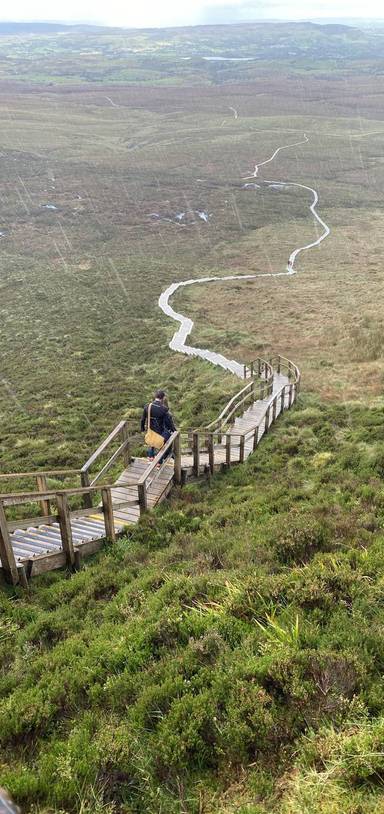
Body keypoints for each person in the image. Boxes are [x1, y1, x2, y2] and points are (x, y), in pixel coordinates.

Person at [141, 389, 176, 461]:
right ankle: (160, 459)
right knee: (168, 437)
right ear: (163, 398)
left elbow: (143, 419)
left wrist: (142, 429)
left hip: (150, 430)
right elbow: (168, 422)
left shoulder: (147, 406)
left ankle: (151, 456)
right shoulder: (164, 409)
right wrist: (174, 430)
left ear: (155, 396)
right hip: (160, 431)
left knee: (152, 440)